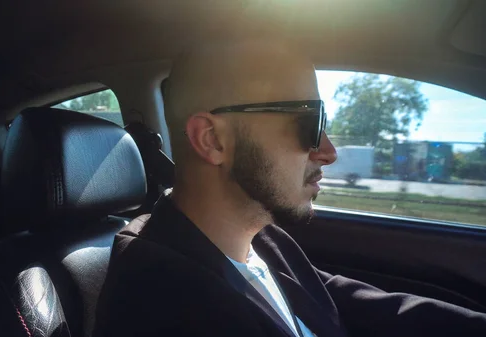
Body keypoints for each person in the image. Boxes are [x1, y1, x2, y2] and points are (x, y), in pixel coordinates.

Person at [94, 40, 486, 337]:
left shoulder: (260, 240)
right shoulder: (162, 301)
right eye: (308, 122)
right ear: (212, 140)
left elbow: (351, 301)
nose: (328, 152)